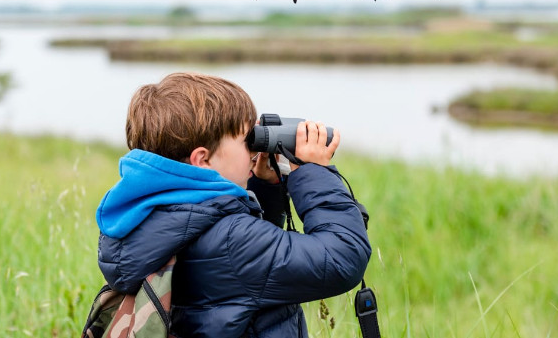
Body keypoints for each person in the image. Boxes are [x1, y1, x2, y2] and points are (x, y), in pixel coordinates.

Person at [95, 72, 371, 337]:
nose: (254, 149)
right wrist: (312, 172)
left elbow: (241, 267)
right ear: (202, 159)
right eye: (245, 141)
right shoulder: (232, 240)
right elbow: (342, 258)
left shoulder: (151, 216)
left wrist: (266, 188)